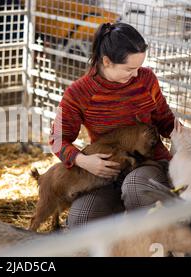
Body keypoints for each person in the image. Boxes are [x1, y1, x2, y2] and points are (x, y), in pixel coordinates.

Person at [49, 22, 177, 228]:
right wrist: (83, 161)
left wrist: (187, 136)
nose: (136, 74)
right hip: (107, 172)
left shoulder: (146, 80)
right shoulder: (78, 93)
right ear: (106, 61)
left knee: (135, 187)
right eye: (129, 69)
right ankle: (119, 216)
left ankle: (150, 243)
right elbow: (57, 141)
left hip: (147, 164)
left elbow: (165, 121)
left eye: (139, 67)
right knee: (81, 221)